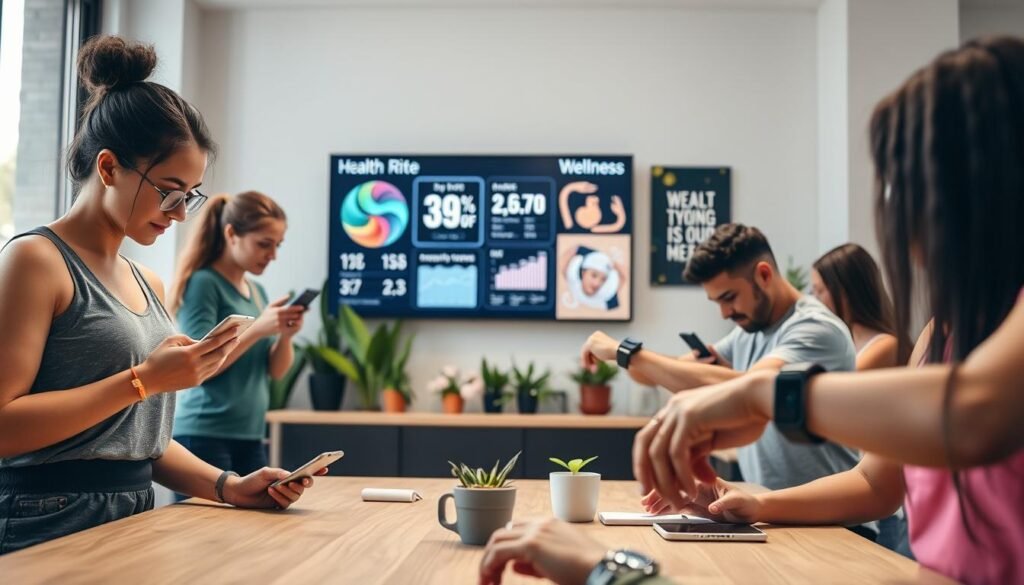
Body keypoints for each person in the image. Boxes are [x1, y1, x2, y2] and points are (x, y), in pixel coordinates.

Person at [482, 36, 1024, 585]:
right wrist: (755, 504)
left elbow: (974, 415)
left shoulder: (821, 331)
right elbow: (876, 484)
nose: (906, 229)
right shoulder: (941, 333)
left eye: (916, 194)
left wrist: (752, 392)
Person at [0, 36, 322, 555]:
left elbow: (134, 439)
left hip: (130, 513)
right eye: (168, 190)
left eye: (189, 197)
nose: (178, 213)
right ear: (108, 168)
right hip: (46, 518)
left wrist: (228, 486)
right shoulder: (36, 259)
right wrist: (143, 380)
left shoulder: (147, 281)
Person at [581, 225, 866, 508]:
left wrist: (623, 350)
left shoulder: (814, 328)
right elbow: (651, 375)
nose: (725, 313)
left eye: (729, 298)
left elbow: (752, 392)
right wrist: (621, 355)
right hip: (776, 511)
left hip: (838, 520)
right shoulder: (748, 330)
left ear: (763, 275)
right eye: (717, 302)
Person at [168, 192, 306, 492]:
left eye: (277, 245)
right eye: (264, 244)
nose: (272, 255)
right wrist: (257, 329)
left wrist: (285, 336)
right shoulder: (204, 284)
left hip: (249, 434)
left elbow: (276, 372)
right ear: (231, 234)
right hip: (203, 434)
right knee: (204, 533)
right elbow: (197, 366)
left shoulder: (257, 292)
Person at [811, 243, 911, 555]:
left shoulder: (884, 346)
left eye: (820, 291)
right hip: (860, 480)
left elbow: (832, 395)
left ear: (847, 291)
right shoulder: (848, 342)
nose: (815, 302)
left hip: (880, 502)